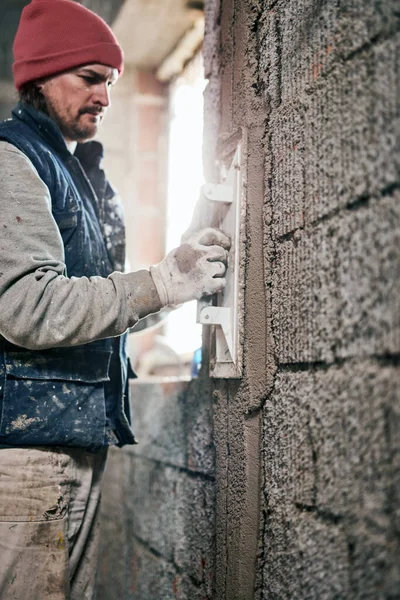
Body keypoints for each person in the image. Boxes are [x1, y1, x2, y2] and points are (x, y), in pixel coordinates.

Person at [0, 0, 230, 598]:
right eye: (90, 78)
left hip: (68, 441)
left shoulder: (77, 170)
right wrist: (160, 281)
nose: (105, 94)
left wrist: (178, 282)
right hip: (25, 456)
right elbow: (27, 306)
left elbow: (98, 306)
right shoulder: (12, 161)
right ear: (40, 77)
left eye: (111, 80)